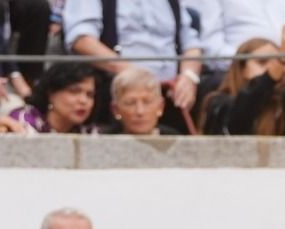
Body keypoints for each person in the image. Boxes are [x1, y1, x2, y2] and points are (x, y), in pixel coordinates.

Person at [64, 0, 205, 127]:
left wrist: (189, 76)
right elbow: (82, 41)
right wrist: (135, 75)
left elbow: (192, 45)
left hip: (170, 92)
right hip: (119, 82)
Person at [198, 19, 285, 135]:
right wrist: (280, 62)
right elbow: (243, 110)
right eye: (262, 62)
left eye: (274, 62)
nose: (270, 68)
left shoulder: (280, 108)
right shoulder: (217, 103)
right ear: (242, 68)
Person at [10, 61, 102, 133]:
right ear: (51, 93)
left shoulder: (89, 131)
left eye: (90, 95)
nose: (84, 101)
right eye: (74, 92)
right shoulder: (24, 119)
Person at [107, 64, 174, 133]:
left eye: (147, 102)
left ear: (160, 106)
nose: (140, 111)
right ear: (115, 109)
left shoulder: (174, 137)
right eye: (130, 103)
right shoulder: (103, 138)